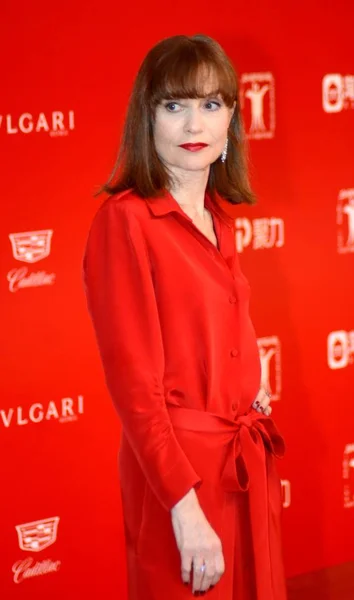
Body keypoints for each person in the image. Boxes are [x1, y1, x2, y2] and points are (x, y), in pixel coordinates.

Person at [82, 33, 287, 600]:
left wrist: (252, 377)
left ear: (231, 122)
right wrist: (184, 507)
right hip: (180, 477)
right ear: (146, 119)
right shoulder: (124, 223)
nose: (194, 124)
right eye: (174, 106)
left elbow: (215, 321)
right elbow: (134, 387)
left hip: (240, 461)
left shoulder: (217, 217)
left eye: (210, 104)